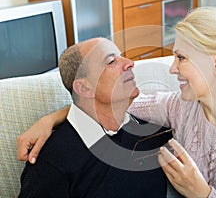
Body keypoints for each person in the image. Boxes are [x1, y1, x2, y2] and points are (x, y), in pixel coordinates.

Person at [17, 7, 216, 197]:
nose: (172, 68)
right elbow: (103, 109)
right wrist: (51, 118)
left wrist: (201, 193)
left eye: (181, 58)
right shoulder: (180, 108)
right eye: (112, 60)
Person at [18, 37, 173, 197]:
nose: (129, 63)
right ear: (84, 88)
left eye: (121, 56)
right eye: (112, 61)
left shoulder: (154, 132)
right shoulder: (52, 161)